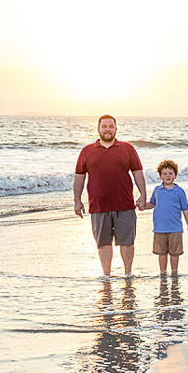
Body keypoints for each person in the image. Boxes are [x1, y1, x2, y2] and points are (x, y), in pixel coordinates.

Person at [74, 115, 146, 277]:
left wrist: (143, 195)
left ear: (116, 129)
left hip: (125, 204)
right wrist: (77, 201)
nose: (107, 129)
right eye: (104, 126)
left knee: (127, 242)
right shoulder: (87, 151)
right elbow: (79, 177)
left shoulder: (127, 148)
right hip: (98, 205)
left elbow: (137, 173)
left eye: (111, 126)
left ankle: (128, 275)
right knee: (103, 243)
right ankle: (106, 276)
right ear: (98, 128)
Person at [142, 160, 188, 276]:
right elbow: (152, 203)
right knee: (161, 253)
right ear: (160, 176)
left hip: (175, 228)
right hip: (159, 229)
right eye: (164, 174)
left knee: (175, 253)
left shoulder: (179, 191)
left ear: (175, 175)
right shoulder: (157, 190)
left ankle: (174, 273)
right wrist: (143, 206)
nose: (168, 176)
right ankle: (163, 273)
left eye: (170, 173)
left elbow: (185, 209)